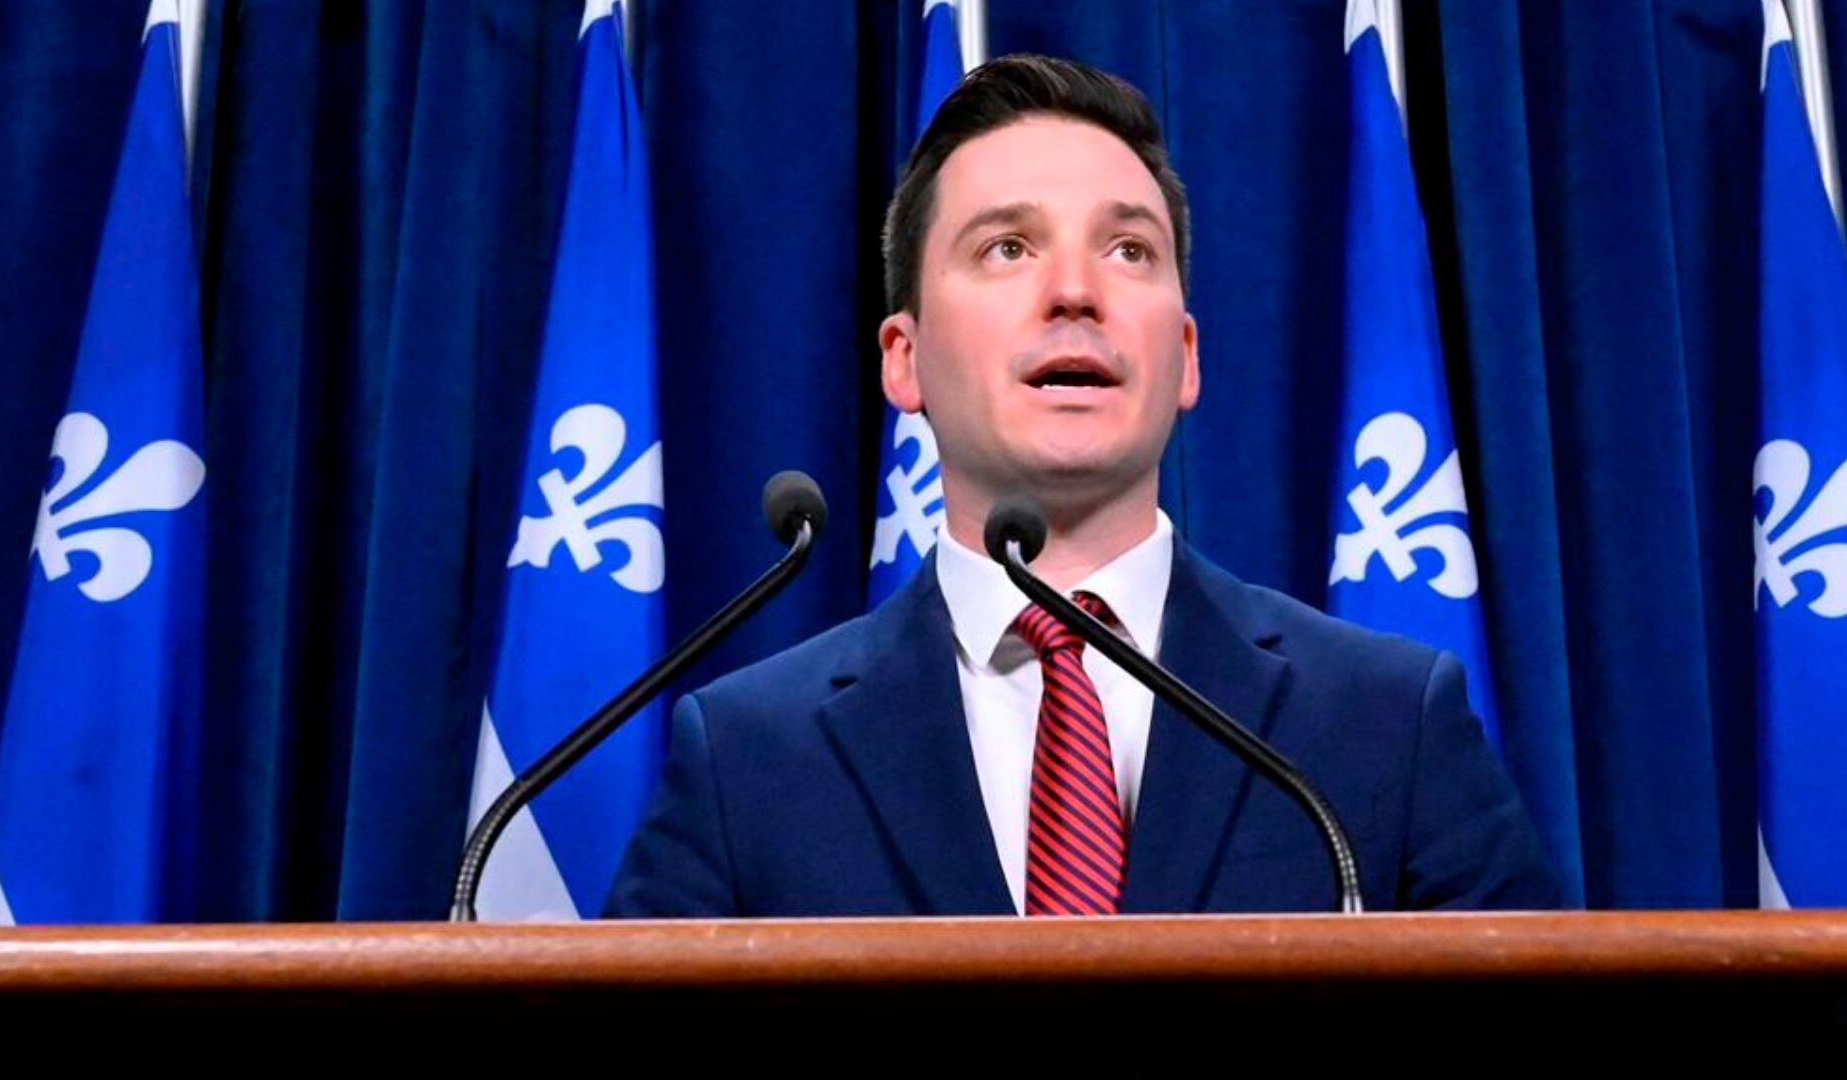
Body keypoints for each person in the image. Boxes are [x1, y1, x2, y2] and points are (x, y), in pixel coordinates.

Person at [607, 54, 1558, 917]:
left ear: (1185, 355)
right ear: (904, 358)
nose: (1075, 291)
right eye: (1007, 247)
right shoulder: (748, 758)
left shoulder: (1385, 721)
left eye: (1129, 250)